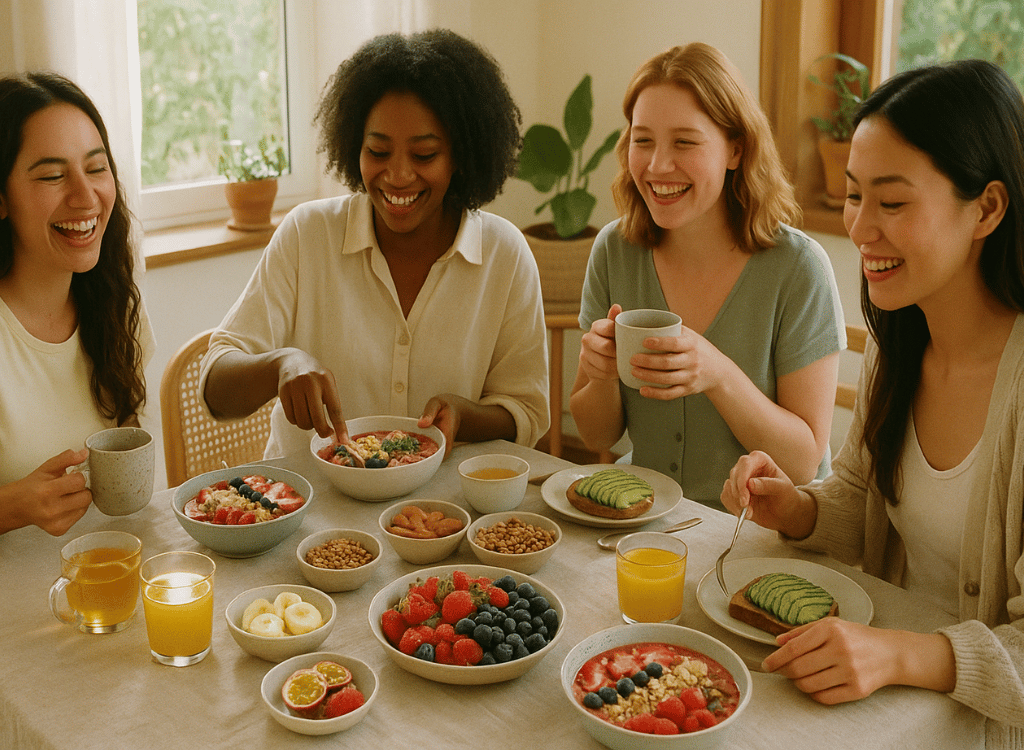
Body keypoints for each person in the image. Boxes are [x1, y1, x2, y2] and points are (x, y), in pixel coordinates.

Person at [721, 59, 1024, 745]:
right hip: (884, 707)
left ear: (989, 208)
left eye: (892, 203)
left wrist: (903, 653)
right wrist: (795, 508)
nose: (859, 229)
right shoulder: (900, 338)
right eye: (855, 196)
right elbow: (864, 502)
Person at [200, 30, 548, 459]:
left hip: (442, 515)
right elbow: (215, 384)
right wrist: (280, 364)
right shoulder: (308, 235)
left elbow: (526, 412)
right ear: (354, 147)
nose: (398, 175)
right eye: (378, 151)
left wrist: (465, 414)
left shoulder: (504, 255)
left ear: (461, 156)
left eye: (424, 156)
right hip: (308, 514)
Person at [570, 43, 844, 510]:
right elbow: (596, 434)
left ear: (736, 149)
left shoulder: (799, 268)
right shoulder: (615, 250)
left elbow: (802, 461)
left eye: (685, 141)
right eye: (642, 140)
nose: (657, 166)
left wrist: (717, 374)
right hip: (648, 522)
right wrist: (599, 376)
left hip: (764, 532)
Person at [0, 72, 152, 536]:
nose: (85, 198)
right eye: (51, 175)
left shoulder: (117, 306)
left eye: (96, 168)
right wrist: (14, 506)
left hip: (109, 579)